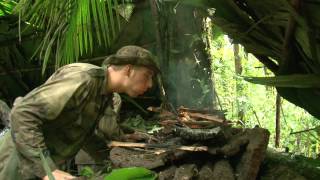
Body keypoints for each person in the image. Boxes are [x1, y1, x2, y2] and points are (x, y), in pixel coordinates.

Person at [0, 45, 160, 180]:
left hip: (39, 163)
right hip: (19, 162)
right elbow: (23, 114)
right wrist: (47, 170)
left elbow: (83, 134)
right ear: (129, 70)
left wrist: (113, 158)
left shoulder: (103, 93)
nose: (150, 84)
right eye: (147, 76)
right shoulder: (83, 78)